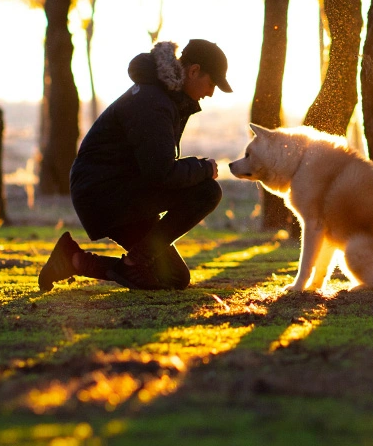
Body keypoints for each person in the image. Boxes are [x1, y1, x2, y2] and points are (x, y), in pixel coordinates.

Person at [38, 39, 232, 292]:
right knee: (206, 191)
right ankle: (134, 263)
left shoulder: (164, 97)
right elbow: (160, 173)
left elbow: (156, 166)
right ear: (194, 71)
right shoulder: (153, 102)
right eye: (211, 83)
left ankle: (73, 259)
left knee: (174, 278)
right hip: (104, 194)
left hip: (118, 192)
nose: (210, 93)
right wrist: (204, 168)